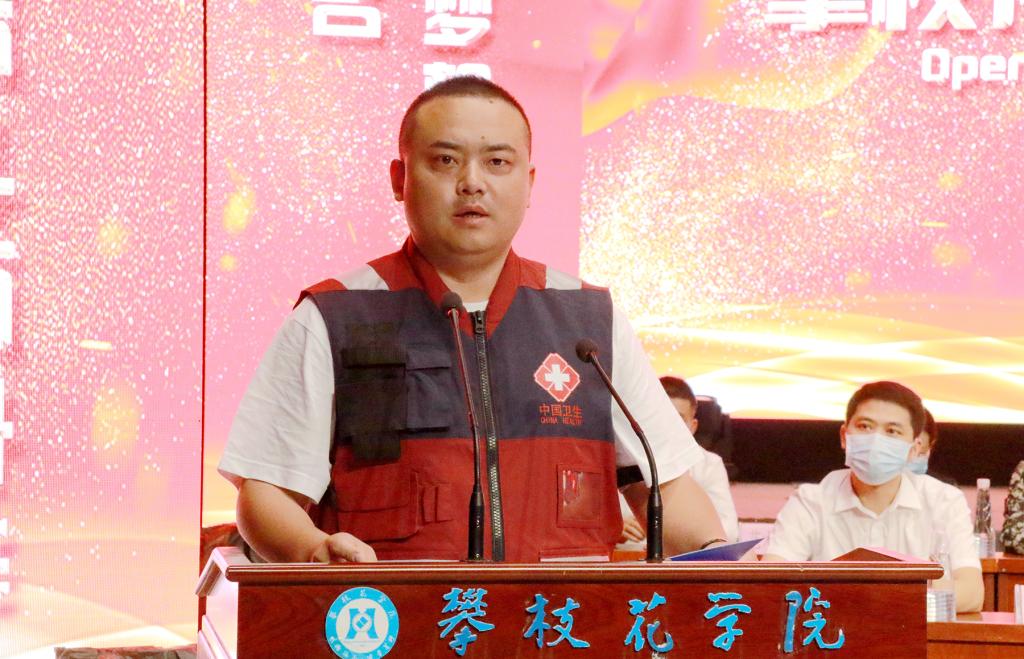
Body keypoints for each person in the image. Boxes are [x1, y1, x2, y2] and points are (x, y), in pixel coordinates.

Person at [218, 76, 726, 564]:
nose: (472, 183)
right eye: (445, 160)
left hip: (558, 617)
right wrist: (312, 550)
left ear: (528, 183)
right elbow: (265, 492)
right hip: (394, 617)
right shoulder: (335, 316)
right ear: (399, 179)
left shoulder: (589, 321)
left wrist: (721, 558)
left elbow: (668, 488)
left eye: (497, 162)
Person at [762, 381, 984, 612]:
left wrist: (871, 600)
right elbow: (771, 585)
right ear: (844, 436)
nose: (876, 440)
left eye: (892, 431)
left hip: (911, 632)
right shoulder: (810, 501)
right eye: (865, 426)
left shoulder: (944, 501)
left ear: (914, 449)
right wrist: (906, 595)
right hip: (832, 632)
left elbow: (971, 594)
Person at [618, 377, 739, 544]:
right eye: (660, 416)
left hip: (683, 557)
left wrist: (675, 529)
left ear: (693, 427)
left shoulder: (709, 464)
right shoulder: (620, 457)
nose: (668, 426)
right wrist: (613, 529)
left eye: (677, 420)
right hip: (624, 556)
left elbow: (729, 532)